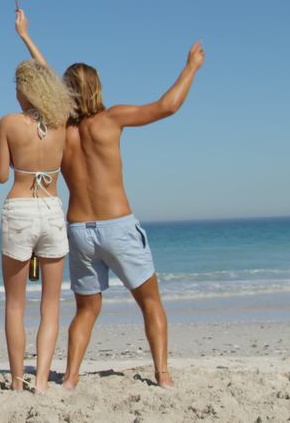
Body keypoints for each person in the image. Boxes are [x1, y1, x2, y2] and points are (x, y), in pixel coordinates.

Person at [60, 40, 206, 390]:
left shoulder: (59, 131)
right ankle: (163, 375)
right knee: (150, 302)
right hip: (117, 227)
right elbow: (167, 106)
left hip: (79, 229)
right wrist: (191, 68)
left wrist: (25, 36)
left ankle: (70, 378)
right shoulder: (111, 118)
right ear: (97, 88)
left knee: (86, 310)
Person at [0, 9, 75, 393]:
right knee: (51, 304)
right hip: (52, 211)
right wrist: (26, 36)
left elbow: (2, 175)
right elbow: (53, 79)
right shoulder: (62, 122)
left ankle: (16, 381)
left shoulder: (9, 123)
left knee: (15, 305)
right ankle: (42, 379)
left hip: (21, 209)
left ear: (22, 90)